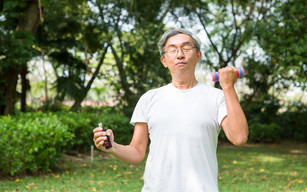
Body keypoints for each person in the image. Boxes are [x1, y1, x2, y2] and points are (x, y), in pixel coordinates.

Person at [93, 28, 248, 192]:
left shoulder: (217, 97)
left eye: (186, 48)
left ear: (198, 56)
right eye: (172, 50)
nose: (180, 54)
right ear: (164, 60)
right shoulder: (149, 99)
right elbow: (137, 152)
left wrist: (228, 86)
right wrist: (112, 147)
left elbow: (239, 137)